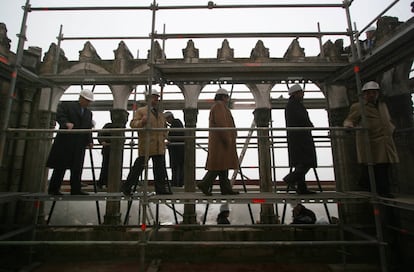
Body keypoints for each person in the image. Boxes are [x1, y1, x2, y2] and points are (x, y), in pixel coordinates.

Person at [343, 81, 399, 198]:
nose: (372, 95)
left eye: (374, 92)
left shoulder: (382, 106)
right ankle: (382, 190)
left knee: (383, 165)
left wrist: (391, 128)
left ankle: (376, 187)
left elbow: (387, 120)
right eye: (369, 93)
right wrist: (348, 126)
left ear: (377, 93)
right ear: (364, 94)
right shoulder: (359, 107)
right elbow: (350, 119)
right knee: (378, 166)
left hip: (385, 140)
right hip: (371, 141)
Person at [121, 89, 172, 196]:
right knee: (139, 167)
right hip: (147, 144)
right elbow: (133, 124)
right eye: (154, 97)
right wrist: (142, 122)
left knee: (160, 169)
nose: (156, 100)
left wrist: (164, 136)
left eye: (157, 98)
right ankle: (127, 187)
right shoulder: (141, 111)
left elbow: (164, 127)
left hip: (158, 145)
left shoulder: (160, 113)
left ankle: (160, 189)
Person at [46, 89, 94, 195]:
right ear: (81, 98)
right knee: (60, 166)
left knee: (77, 167)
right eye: (87, 100)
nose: (88, 103)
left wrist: (89, 141)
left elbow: (88, 128)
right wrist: (66, 123)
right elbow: (60, 115)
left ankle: (75, 189)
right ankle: (53, 189)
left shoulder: (88, 113)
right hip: (65, 141)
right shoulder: (67, 105)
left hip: (79, 143)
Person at [197, 88, 239, 196]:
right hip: (221, 141)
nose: (228, 99)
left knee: (222, 165)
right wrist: (227, 139)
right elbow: (222, 124)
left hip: (220, 141)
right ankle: (205, 183)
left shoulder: (219, 106)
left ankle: (226, 188)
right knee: (218, 166)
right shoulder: (219, 107)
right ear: (224, 97)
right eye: (227, 97)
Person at [283, 84, 317, 195]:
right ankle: (290, 178)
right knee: (306, 161)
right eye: (301, 92)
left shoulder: (293, 105)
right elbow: (301, 118)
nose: (303, 94)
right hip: (301, 138)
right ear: (296, 93)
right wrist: (309, 125)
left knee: (301, 163)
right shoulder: (294, 105)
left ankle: (301, 187)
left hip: (297, 137)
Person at [164, 111, 185, 187]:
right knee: (178, 167)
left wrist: (165, 131)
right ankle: (178, 182)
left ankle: (176, 183)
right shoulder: (177, 123)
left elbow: (172, 136)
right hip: (179, 149)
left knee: (176, 167)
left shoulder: (176, 123)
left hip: (177, 149)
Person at [97, 122, 115, 189]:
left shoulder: (112, 126)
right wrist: (102, 141)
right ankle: (101, 183)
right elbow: (100, 134)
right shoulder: (109, 125)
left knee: (112, 167)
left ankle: (107, 183)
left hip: (114, 149)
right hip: (107, 148)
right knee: (105, 166)